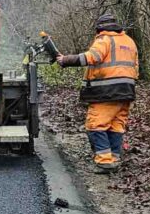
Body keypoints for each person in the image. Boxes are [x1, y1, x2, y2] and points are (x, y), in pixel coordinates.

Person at [56, 13, 139, 172]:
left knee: (95, 124)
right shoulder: (130, 41)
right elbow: (135, 68)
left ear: (99, 28)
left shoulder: (104, 40)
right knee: (116, 125)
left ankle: (104, 162)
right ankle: (114, 158)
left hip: (107, 92)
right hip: (127, 91)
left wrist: (65, 60)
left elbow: (91, 57)